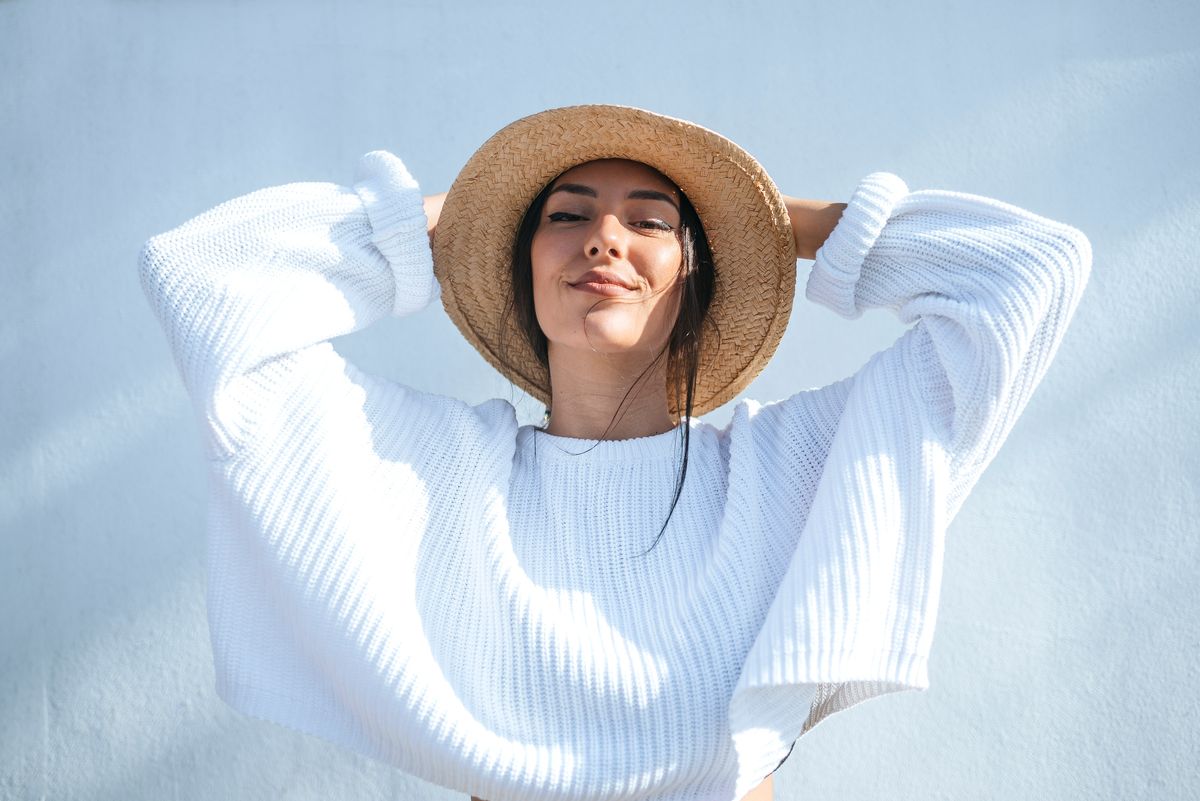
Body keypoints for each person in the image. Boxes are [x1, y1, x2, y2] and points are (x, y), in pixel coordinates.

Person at [139, 104, 1091, 801]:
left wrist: (769, 222)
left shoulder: (788, 468)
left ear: (694, 271)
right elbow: (204, 275)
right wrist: (450, 216)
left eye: (650, 220)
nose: (602, 239)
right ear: (525, 266)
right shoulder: (429, 474)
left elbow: (1028, 273)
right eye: (564, 214)